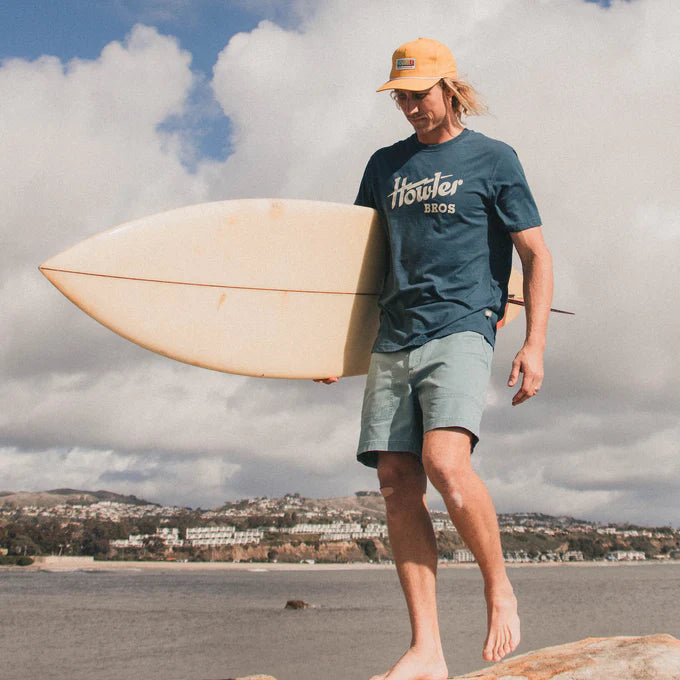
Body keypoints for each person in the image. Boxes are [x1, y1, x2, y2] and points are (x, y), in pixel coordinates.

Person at [319, 37, 553, 680]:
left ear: (450, 87)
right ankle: (427, 648)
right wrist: (327, 343)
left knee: (445, 461)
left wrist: (533, 344)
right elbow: (362, 265)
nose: (409, 108)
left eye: (418, 95)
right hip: (394, 331)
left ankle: (497, 586)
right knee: (396, 481)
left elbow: (535, 254)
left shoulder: (492, 158)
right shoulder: (384, 166)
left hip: (460, 324)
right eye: (400, 97)